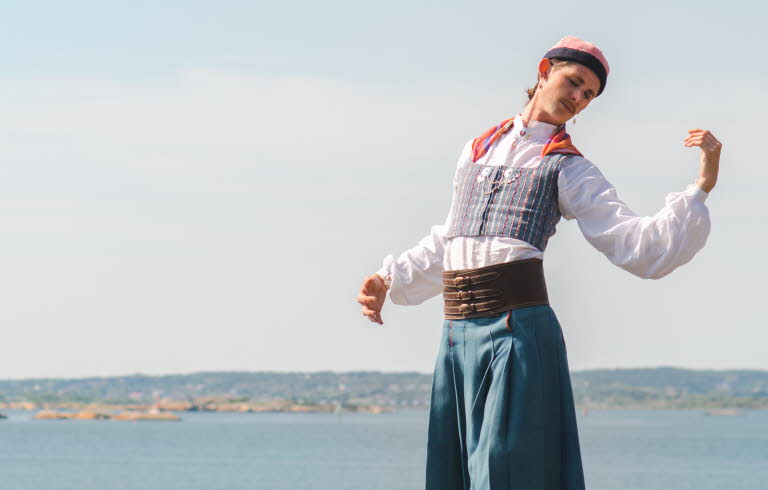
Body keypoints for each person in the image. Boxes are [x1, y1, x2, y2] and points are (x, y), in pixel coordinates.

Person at [356, 36, 721, 490]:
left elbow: (636, 244)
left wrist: (702, 184)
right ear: (544, 69)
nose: (579, 98)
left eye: (588, 95)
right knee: (452, 471)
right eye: (575, 82)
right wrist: (389, 277)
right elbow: (452, 235)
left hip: (517, 331)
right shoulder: (475, 150)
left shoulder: (569, 168)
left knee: (505, 471)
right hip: (455, 334)